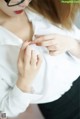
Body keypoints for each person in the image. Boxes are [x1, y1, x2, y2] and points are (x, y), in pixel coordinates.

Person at [0, 0, 80, 118]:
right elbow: (4, 112)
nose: (25, 3)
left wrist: (71, 44)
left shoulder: (41, 8)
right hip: (60, 110)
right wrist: (24, 81)